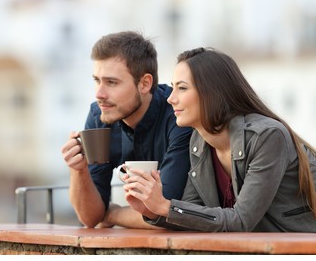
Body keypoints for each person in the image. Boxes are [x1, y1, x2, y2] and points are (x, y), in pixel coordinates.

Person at [124, 47, 316, 232]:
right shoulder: (198, 143)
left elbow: (241, 220)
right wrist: (151, 209)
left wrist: (165, 207)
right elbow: (193, 214)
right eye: (173, 88)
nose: (171, 98)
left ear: (212, 93)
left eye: (182, 88)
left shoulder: (266, 137)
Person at [61, 31, 192, 229]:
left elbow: (165, 213)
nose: (99, 94)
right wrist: (78, 171)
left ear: (145, 84)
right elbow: (90, 218)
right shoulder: (100, 115)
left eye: (111, 82)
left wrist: (112, 214)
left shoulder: (178, 115)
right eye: (97, 80)